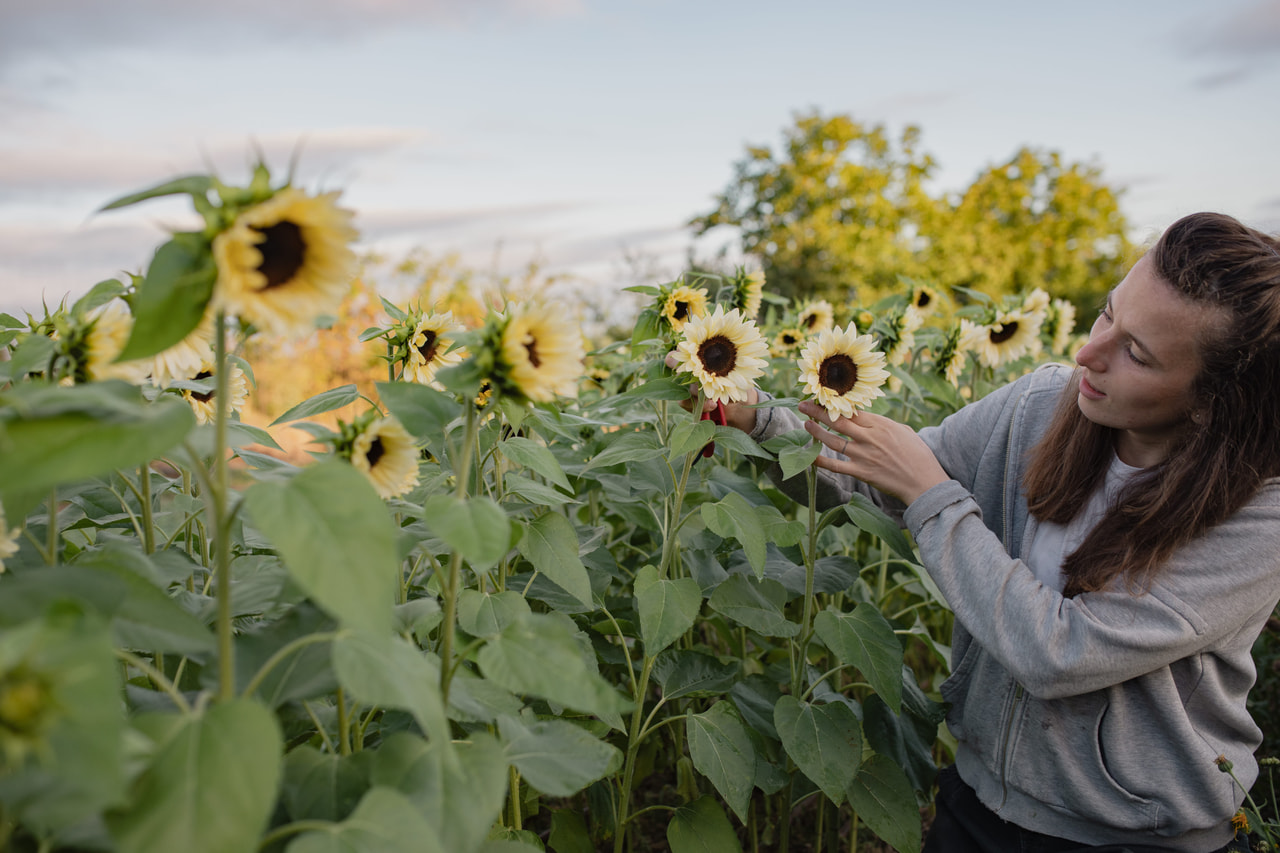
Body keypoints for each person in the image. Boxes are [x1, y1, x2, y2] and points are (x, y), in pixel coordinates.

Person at [691, 212, 1280, 851]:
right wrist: (750, 417)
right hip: (980, 802)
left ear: (1211, 400)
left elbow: (1061, 652)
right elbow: (880, 479)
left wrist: (931, 496)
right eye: (1108, 314)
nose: (1089, 352)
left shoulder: (1258, 515)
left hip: (1134, 835)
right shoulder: (1044, 404)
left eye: (1135, 353)